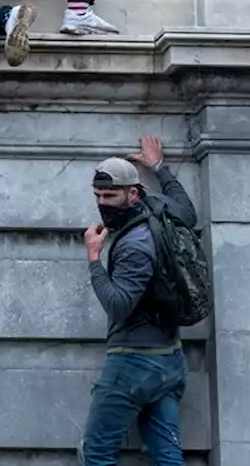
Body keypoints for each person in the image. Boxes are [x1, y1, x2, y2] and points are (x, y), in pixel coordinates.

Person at [80, 135, 198, 465]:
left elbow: (118, 304)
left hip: (133, 362)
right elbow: (187, 211)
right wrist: (159, 167)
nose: (103, 203)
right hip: (169, 360)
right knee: (167, 455)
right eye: (98, 195)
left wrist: (93, 259)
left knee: (97, 452)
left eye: (111, 195)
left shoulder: (134, 244)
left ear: (132, 193)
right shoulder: (160, 212)